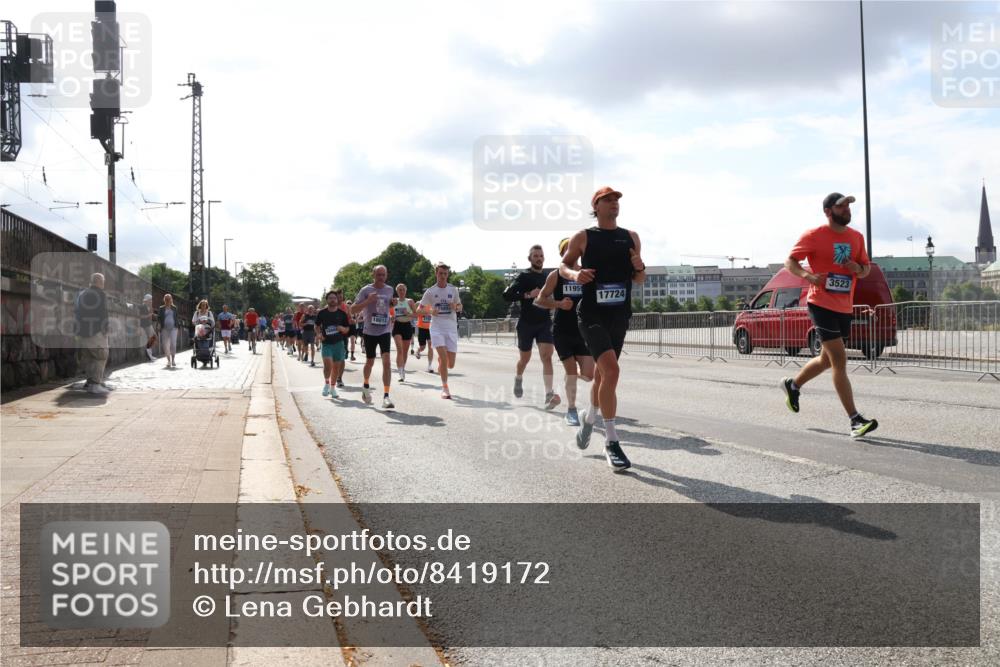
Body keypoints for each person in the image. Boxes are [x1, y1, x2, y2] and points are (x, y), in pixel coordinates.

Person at [560, 186, 646, 472]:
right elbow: (564, 266)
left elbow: (640, 280)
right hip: (592, 314)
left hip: (619, 316)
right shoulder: (584, 237)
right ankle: (611, 440)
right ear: (596, 206)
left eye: (617, 200)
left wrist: (639, 266)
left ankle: (589, 417)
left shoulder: (630, 237)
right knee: (612, 371)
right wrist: (576, 274)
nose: (614, 204)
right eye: (608, 200)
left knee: (601, 377)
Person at [781, 192, 878, 438]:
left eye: (848, 206)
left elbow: (865, 269)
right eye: (841, 206)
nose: (847, 210)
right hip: (820, 304)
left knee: (826, 360)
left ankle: (792, 385)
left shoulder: (856, 237)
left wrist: (860, 269)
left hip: (844, 306)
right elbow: (790, 262)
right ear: (828, 211)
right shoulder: (814, 235)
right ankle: (855, 420)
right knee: (839, 360)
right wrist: (808, 277)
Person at [535, 238, 595, 426]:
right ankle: (571, 410)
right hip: (562, 330)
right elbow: (539, 299)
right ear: (563, 255)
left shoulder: (587, 275)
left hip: (583, 330)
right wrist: (559, 304)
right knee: (570, 371)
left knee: (588, 375)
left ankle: (567, 383)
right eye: (567, 251)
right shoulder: (555, 276)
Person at [504, 244, 559, 409]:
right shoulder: (523, 276)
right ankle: (518, 377)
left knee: (547, 357)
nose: (539, 258)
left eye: (541, 255)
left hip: (544, 322)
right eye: (535, 256)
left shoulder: (548, 277)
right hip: (526, 323)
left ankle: (549, 394)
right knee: (524, 359)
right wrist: (528, 295)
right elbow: (506, 295)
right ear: (530, 259)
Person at [351, 265, 397, 409]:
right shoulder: (366, 290)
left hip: (385, 330)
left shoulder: (390, 289)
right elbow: (353, 309)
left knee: (387, 362)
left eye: (383, 275)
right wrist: (367, 301)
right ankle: (365, 386)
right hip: (369, 331)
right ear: (373, 275)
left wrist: (392, 304)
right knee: (369, 362)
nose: (381, 277)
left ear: (386, 275)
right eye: (378, 275)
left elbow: (388, 305)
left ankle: (386, 397)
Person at [419, 262, 463, 399]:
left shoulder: (453, 289)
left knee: (451, 364)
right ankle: (445, 388)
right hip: (437, 328)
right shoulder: (431, 291)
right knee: (444, 359)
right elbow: (418, 309)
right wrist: (430, 310)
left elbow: (460, 307)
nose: (443, 276)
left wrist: (455, 306)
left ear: (447, 274)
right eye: (440, 273)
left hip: (451, 328)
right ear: (436, 274)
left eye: (445, 274)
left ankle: (441, 364)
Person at [75, 272, 111, 394]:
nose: (103, 284)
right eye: (103, 282)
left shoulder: (82, 294)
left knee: (89, 358)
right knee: (101, 355)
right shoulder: (100, 294)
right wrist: (105, 329)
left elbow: (77, 311)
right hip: (96, 331)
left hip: (82, 332)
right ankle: (95, 384)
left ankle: (89, 382)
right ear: (99, 282)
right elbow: (103, 313)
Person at [316, 291, 351, 398]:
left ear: (337, 300)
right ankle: (326, 384)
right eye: (330, 298)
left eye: (334, 298)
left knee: (336, 368)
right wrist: (318, 334)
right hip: (326, 343)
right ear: (327, 300)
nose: (332, 300)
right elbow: (316, 325)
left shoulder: (342, 314)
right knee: (328, 365)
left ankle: (332, 388)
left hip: (338, 344)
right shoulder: (322, 313)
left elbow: (347, 329)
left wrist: (342, 329)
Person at [391, 283, 416, 382]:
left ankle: (402, 368)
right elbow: (388, 312)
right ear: (397, 291)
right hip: (397, 326)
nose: (401, 291)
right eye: (399, 290)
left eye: (403, 290)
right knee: (399, 350)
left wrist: (408, 313)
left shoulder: (410, 301)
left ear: (405, 291)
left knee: (405, 351)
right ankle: (400, 372)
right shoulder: (394, 301)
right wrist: (391, 317)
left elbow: (416, 315)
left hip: (407, 326)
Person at [157, 293, 181, 368]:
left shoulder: (174, 308)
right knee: (165, 345)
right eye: (166, 299)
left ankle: (173, 360)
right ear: (164, 300)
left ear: (171, 300)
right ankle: (168, 360)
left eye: (169, 299)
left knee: (173, 344)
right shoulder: (161, 308)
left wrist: (178, 328)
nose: (167, 300)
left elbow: (177, 318)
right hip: (164, 329)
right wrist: (158, 325)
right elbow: (159, 318)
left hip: (174, 328)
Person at [414, 299, 435, 372]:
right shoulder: (421, 304)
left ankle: (430, 366)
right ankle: (418, 351)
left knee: (430, 345)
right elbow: (416, 311)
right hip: (422, 328)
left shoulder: (433, 304)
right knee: (422, 347)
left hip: (430, 328)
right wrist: (425, 312)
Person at [142, 294, 157, 362]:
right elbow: (141, 316)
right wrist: (149, 315)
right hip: (145, 325)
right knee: (153, 337)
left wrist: (152, 315)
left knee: (153, 337)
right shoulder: (142, 306)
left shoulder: (150, 307)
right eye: (150, 300)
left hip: (149, 324)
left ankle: (149, 353)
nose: (151, 301)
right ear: (147, 300)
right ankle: (149, 353)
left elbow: (151, 317)